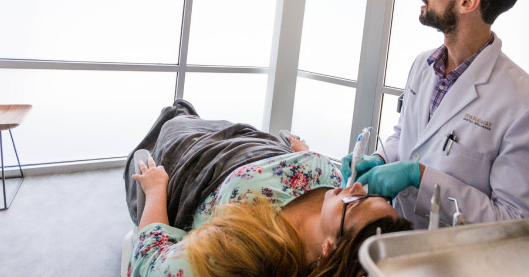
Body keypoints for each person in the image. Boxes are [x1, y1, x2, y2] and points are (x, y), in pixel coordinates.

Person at [343, 0, 529, 229]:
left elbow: (523, 225)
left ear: (467, 2)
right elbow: (408, 137)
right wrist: (379, 158)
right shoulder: (424, 66)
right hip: (398, 242)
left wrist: (421, 178)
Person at [125, 100, 411, 277]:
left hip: (201, 161)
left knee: (174, 121)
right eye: (372, 194)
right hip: (255, 141)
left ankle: (179, 114)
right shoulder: (335, 199)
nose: (358, 187)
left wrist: (155, 191)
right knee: (191, 116)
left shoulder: (244, 254)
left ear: (329, 248)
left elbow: (150, 265)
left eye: (357, 202)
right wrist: (306, 152)